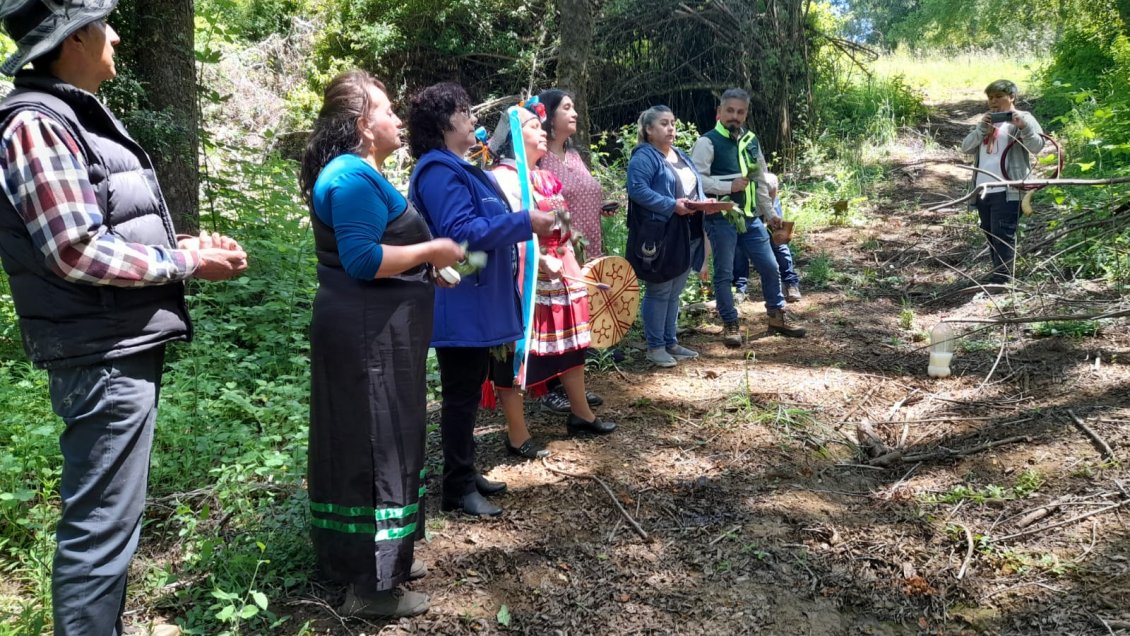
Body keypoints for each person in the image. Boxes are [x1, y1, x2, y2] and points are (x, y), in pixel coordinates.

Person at [0, 3, 248, 633]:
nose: (114, 33)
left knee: (109, 521)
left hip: (110, 341)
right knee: (100, 531)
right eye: (102, 23)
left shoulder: (66, 115)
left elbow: (95, 230)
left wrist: (182, 247)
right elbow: (76, 250)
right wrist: (184, 266)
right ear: (73, 39)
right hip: (102, 350)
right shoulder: (36, 124)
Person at [300, 70, 465, 619]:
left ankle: (388, 557)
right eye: (386, 110)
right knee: (374, 448)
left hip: (382, 335)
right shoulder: (348, 176)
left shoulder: (364, 175)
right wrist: (432, 251)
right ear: (360, 125)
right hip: (366, 339)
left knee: (388, 441)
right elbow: (363, 259)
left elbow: (387, 245)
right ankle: (369, 588)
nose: (397, 119)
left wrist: (426, 267)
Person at [407, 82, 555, 517]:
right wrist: (524, 221)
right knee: (459, 398)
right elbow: (462, 232)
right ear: (442, 123)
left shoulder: (463, 167)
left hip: (475, 302)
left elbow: (472, 241)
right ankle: (455, 489)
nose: (473, 119)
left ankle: (466, 473)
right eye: (464, 112)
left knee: (469, 394)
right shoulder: (438, 171)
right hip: (460, 308)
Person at [487, 103, 616, 454]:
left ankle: (581, 413)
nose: (542, 131)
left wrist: (575, 253)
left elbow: (563, 223)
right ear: (514, 135)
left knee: (574, 346)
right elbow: (502, 231)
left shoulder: (543, 176)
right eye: (532, 126)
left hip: (562, 273)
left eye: (543, 126)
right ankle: (517, 433)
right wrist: (541, 259)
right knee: (514, 352)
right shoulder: (501, 179)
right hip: (523, 280)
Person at [690, 88, 805, 348]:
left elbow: (760, 180)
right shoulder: (707, 142)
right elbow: (696, 181)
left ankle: (776, 315)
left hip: (752, 219)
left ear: (746, 114)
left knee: (770, 266)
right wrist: (729, 186)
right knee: (724, 273)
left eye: (740, 112)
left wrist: (771, 213)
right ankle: (730, 322)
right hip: (721, 218)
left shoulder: (752, 140)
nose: (735, 116)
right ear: (719, 113)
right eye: (730, 110)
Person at [535, 88, 612, 414]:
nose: (575, 113)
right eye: (567, 108)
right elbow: (548, 205)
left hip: (589, 243)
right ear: (549, 116)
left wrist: (600, 205)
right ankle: (552, 388)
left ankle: (573, 388)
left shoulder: (576, 156)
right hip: (559, 250)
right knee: (555, 317)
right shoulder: (540, 160)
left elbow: (583, 194)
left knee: (575, 318)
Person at [626, 105, 709, 368]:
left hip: (687, 231)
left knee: (675, 292)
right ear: (649, 130)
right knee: (660, 289)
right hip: (661, 234)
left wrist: (705, 204)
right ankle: (655, 346)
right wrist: (671, 204)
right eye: (663, 123)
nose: (670, 128)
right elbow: (637, 190)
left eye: (672, 123)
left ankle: (670, 341)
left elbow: (695, 187)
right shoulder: (645, 156)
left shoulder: (681, 154)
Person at [960, 79, 1044, 284]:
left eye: (998, 97)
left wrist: (1023, 128)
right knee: (990, 231)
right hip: (983, 188)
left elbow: (1037, 146)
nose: (993, 102)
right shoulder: (986, 122)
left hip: (1009, 188)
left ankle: (1004, 281)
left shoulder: (1024, 118)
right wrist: (981, 130)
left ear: (1012, 97)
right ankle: (999, 275)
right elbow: (965, 148)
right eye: (990, 98)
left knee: (1002, 233)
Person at [727, 172, 801, 304]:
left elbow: (773, 183)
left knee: (778, 242)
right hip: (742, 210)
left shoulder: (766, 180)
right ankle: (739, 287)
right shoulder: (731, 181)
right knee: (739, 247)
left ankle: (790, 283)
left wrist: (769, 214)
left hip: (768, 205)